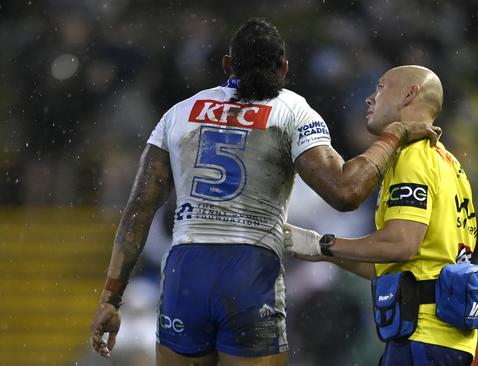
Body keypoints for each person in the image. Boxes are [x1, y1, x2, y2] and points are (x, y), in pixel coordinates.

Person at [89, 18, 440, 366]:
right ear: (284, 68)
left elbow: (139, 209)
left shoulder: (179, 114)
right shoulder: (292, 110)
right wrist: (394, 135)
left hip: (186, 271)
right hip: (250, 270)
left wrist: (111, 298)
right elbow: (346, 192)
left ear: (228, 65)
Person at [284, 65, 478, 365]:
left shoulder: (412, 157)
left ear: (409, 94)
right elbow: (387, 265)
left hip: (422, 336)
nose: (370, 98)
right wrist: (322, 251)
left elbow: (401, 244)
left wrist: (325, 244)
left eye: (381, 87)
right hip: (448, 336)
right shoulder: (448, 161)